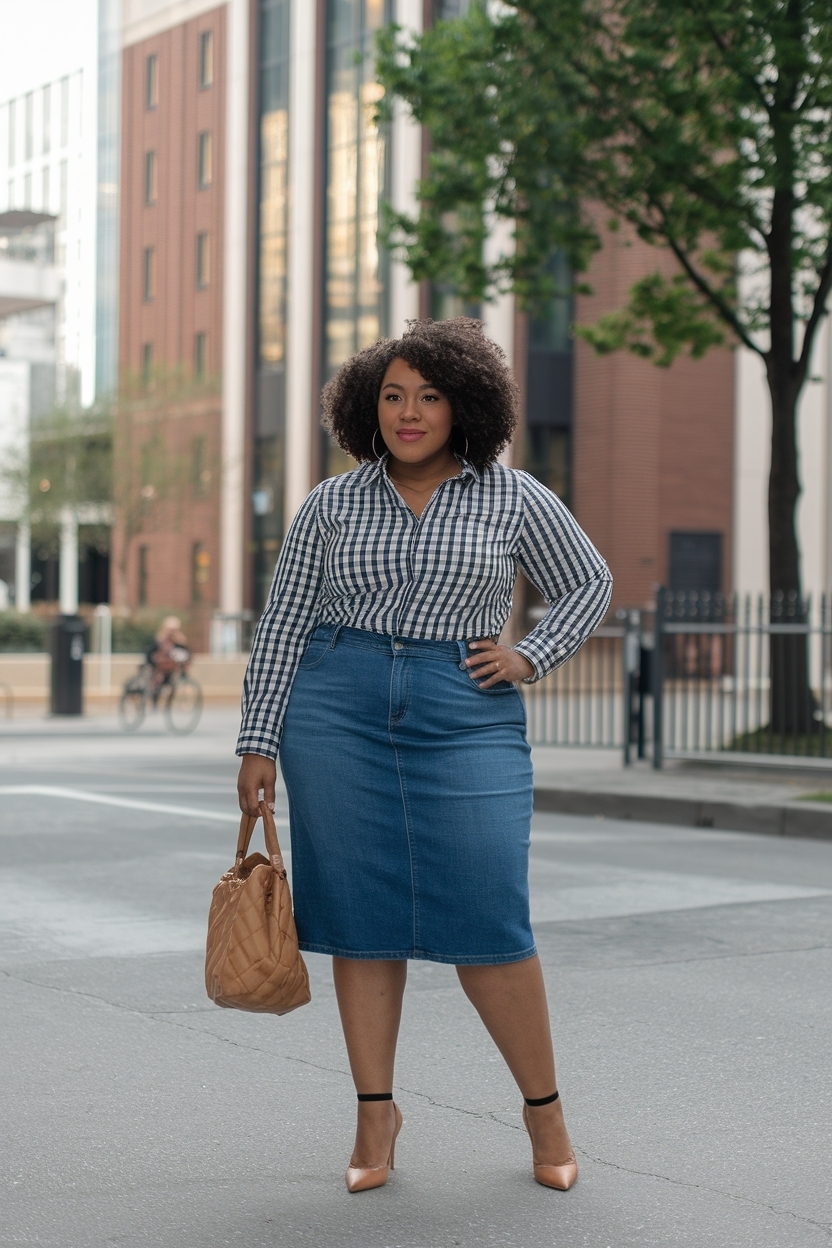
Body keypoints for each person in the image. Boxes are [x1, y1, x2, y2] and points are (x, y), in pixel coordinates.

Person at [236, 318, 612, 1194]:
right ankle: (376, 1117)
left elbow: (588, 582)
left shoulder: (513, 497)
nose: (409, 413)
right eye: (393, 396)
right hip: (336, 709)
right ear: (368, 407)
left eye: (430, 396)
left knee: (490, 909)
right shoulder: (331, 503)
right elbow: (285, 621)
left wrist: (531, 654)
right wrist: (257, 740)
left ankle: (544, 1113)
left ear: (464, 405)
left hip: (465, 708)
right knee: (360, 917)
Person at [145, 616, 190, 697]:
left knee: (173, 681)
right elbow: (150, 653)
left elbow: (186, 654)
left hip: (172, 667)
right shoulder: (160, 639)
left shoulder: (179, 640)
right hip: (159, 666)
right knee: (157, 681)